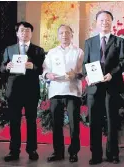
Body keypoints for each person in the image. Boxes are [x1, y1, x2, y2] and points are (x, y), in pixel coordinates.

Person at [83, 10, 124, 165]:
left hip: (112, 86)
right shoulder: (89, 42)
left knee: (112, 121)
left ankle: (112, 154)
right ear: (96, 23)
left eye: (108, 20)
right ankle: (95, 154)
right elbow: (85, 64)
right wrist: (86, 75)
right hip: (94, 88)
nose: (105, 22)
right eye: (101, 20)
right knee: (94, 122)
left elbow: (122, 63)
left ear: (112, 22)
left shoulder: (119, 41)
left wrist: (112, 74)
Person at [0, 21, 45, 162]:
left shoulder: (38, 50)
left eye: (27, 31)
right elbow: (1, 68)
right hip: (14, 91)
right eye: (22, 30)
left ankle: (32, 150)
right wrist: (7, 67)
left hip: (31, 90)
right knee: (14, 122)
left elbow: (43, 70)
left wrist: (33, 66)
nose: (24, 33)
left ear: (31, 33)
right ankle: (14, 151)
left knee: (31, 121)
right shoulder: (9, 49)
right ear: (17, 33)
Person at [43, 25, 83, 163]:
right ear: (58, 35)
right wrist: (48, 74)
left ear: (72, 34)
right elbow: (45, 69)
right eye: (61, 33)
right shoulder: (52, 53)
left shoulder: (79, 52)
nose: (64, 35)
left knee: (74, 124)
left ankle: (73, 152)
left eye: (67, 32)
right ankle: (58, 152)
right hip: (56, 91)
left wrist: (76, 74)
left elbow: (83, 72)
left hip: (73, 91)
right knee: (56, 124)